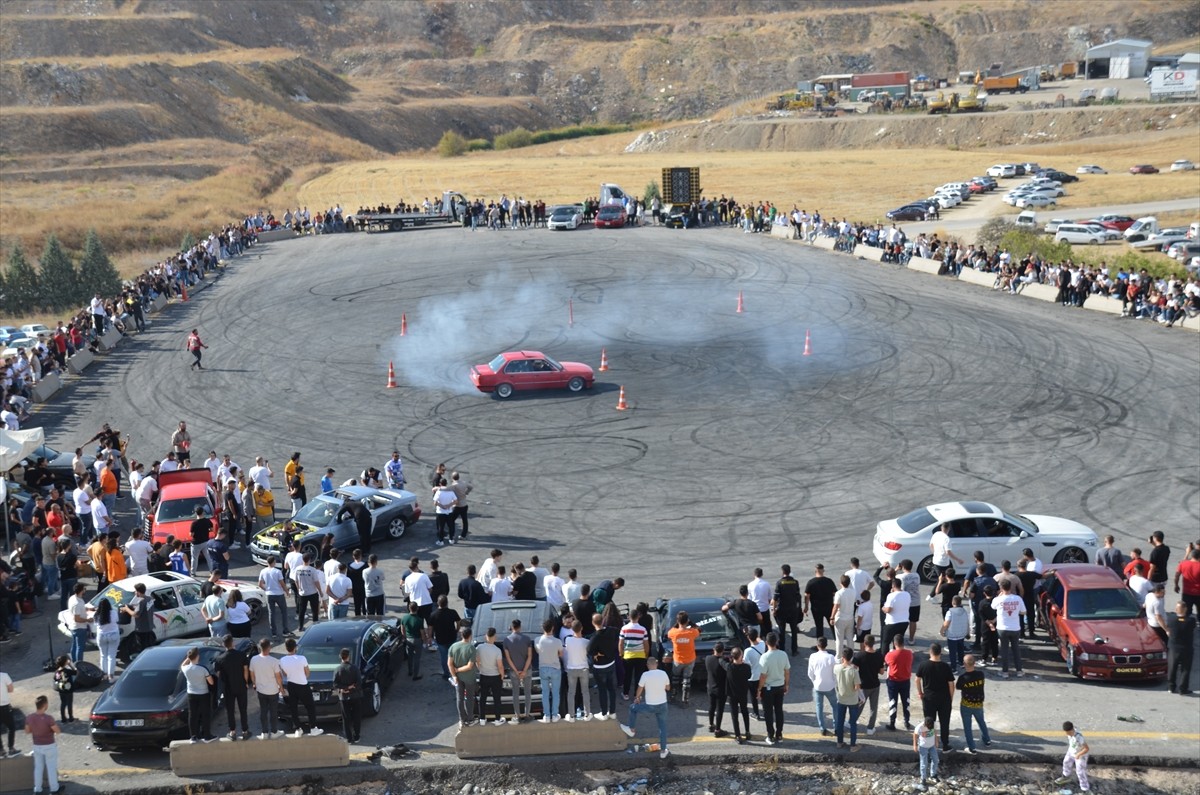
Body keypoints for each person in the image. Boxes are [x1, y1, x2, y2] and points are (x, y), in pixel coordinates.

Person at [618, 656, 672, 759]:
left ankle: (631, 729)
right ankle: (663, 751)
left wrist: (637, 698)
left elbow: (640, 688)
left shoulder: (645, 674)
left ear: (647, 665)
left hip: (651, 705)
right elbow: (668, 688)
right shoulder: (663, 673)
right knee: (662, 728)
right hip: (663, 705)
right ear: (656, 664)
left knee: (633, 708)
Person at [915, 642, 955, 752]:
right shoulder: (945, 666)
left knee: (929, 723)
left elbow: (917, 680)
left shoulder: (923, 665)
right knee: (944, 722)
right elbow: (951, 684)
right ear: (940, 653)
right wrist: (950, 697)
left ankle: (929, 744)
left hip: (929, 698)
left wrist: (920, 692)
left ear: (930, 652)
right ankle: (945, 744)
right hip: (944, 699)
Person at [279, 638, 322, 737]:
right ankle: (313, 728)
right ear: (295, 647)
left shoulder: (282, 660)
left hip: (291, 685)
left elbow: (285, 674)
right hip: (303, 685)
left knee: (293, 708)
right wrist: (302, 677)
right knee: (310, 706)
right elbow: (307, 672)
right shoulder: (302, 658)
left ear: (286, 648)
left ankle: (298, 729)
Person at [214, 634, 251, 740]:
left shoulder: (219, 658)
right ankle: (245, 731)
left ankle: (232, 732)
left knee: (230, 710)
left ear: (223, 645)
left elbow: (218, 674)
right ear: (233, 643)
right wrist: (245, 682)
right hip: (240, 685)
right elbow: (245, 669)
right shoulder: (241, 655)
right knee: (243, 709)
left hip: (228, 688)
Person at [757, 631, 790, 746]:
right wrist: (786, 685)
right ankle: (779, 734)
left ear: (766, 643)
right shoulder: (783, 654)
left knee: (768, 713)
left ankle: (770, 735)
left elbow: (763, 676)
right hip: (780, 686)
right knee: (779, 710)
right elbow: (787, 672)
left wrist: (759, 689)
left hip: (768, 688)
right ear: (776, 642)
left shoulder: (764, 657)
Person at [24, 695, 61, 794]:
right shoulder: (49, 718)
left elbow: (27, 731)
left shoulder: (29, 718)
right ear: (45, 705)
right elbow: (57, 731)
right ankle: (54, 789)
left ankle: (37, 789)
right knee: (51, 768)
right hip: (49, 745)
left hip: (37, 746)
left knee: (38, 768)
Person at [248, 638, 284, 739]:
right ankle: (274, 732)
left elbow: (252, 674)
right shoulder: (274, 661)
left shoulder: (254, 659)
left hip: (261, 690)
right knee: (273, 712)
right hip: (273, 691)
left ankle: (264, 732)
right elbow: (278, 677)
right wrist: (281, 687)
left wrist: (255, 684)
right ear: (269, 647)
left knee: (263, 711)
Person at [956, 654, 991, 754]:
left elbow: (958, 687)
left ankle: (972, 747)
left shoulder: (963, 678)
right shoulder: (981, 674)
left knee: (967, 727)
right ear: (974, 663)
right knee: (981, 722)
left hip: (966, 705)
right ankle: (987, 740)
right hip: (978, 704)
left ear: (964, 664)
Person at [851, 634, 885, 736]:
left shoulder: (859, 656)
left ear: (865, 643)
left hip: (863, 686)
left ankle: (852, 722)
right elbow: (882, 672)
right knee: (873, 708)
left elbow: (853, 670)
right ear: (873, 643)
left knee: (859, 705)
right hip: (875, 685)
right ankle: (870, 728)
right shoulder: (879, 656)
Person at [991, 580, 1025, 678]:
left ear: (1001, 588)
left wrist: (999, 596)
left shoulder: (998, 600)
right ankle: (1019, 670)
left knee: (1004, 650)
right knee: (1016, 649)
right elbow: (1023, 612)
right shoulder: (1018, 598)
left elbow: (993, 607)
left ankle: (1005, 671)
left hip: (1002, 627)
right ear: (1011, 587)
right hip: (1015, 627)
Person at [182, 646, 215, 742]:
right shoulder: (203, 669)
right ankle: (207, 735)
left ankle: (193, 736)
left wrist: (189, 658)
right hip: (203, 694)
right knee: (205, 714)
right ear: (198, 656)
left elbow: (182, 664)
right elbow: (211, 682)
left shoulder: (185, 669)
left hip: (191, 694)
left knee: (192, 715)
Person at [448, 627, 480, 728]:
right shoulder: (471, 648)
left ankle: (462, 719)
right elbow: (470, 666)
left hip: (457, 678)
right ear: (470, 636)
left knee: (459, 698)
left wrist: (454, 675)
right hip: (469, 678)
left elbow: (449, 663)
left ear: (461, 635)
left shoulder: (453, 646)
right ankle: (470, 719)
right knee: (469, 698)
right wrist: (458, 670)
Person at [666, 611, 700, 705]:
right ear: (687, 621)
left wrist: (677, 623)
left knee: (675, 678)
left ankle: (673, 695)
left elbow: (668, 633)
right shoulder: (691, 632)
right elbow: (699, 630)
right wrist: (692, 624)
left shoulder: (673, 633)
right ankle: (685, 700)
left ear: (678, 621)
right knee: (687, 679)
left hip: (678, 660)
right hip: (690, 659)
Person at [503, 618, 534, 720]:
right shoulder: (527, 639)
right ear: (520, 627)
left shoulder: (506, 640)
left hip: (514, 671)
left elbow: (508, 658)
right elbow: (529, 656)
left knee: (515, 693)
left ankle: (517, 715)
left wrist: (516, 671)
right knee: (527, 693)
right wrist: (524, 670)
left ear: (511, 627)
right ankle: (527, 714)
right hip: (527, 670)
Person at [833, 646, 863, 751]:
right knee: (853, 723)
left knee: (840, 721)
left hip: (841, 698)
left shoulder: (837, 668)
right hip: (852, 700)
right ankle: (853, 745)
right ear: (851, 657)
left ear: (842, 657)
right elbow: (857, 687)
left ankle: (839, 742)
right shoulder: (854, 671)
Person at [535, 619, 564, 722]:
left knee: (545, 693)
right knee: (556, 692)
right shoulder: (558, 641)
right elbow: (561, 654)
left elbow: (538, 651)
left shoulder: (537, 640)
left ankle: (547, 715)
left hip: (543, 668)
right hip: (555, 668)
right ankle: (555, 715)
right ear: (552, 628)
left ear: (543, 628)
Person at [563, 620, 592, 721]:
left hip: (571, 669)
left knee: (571, 693)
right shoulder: (586, 642)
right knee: (585, 692)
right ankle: (587, 714)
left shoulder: (568, 641)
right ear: (582, 628)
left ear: (572, 629)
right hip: (584, 668)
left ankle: (571, 715)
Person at [722, 647, 752, 743]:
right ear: (741, 656)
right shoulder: (746, 667)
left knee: (734, 715)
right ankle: (747, 731)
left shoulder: (729, 667)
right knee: (745, 712)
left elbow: (721, 661)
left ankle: (738, 735)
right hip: (743, 694)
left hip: (732, 695)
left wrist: (727, 658)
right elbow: (749, 676)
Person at [619, 607, 650, 701]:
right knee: (638, 676)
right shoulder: (643, 629)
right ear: (638, 617)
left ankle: (625, 694)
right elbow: (646, 644)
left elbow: (621, 643)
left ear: (629, 617)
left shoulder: (624, 628)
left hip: (628, 656)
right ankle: (637, 695)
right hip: (640, 656)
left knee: (627, 675)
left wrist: (621, 654)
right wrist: (646, 654)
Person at [885, 634, 914, 732]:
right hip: (905, 680)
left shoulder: (890, 655)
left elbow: (887, 662)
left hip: (893, 681)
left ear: (894, 643)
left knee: (893, 702)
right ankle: (907, 721)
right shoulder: (909, 653)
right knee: (906, 701)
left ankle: (892, 722)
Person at [333, 647, 363, 742]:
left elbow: (335, 684)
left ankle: (349, 738)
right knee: (356, 717)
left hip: (344, 697)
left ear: (340, 656)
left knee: (346, 718)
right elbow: (359, 682)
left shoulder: (337, 669)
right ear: (348, 657)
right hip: (355, 696)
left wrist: (343, 689)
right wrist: (350, 688)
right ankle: (356, 735)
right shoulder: (354, 668)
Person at [1167, 600, 1196, 695]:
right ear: (1186, 609)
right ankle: (1183, 689)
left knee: (1172, 668)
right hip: (1186, 648)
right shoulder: (1191, 621)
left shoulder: (1171, 619)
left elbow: (1169, 628)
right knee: (1185, 669)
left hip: (1174, 648)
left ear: (1176, 609)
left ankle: (1171, 687)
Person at [430, 596, 461, 681]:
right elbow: (459, 622)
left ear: (437, 603)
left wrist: (430, 637)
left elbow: (430, 627)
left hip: (440, 639)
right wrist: (457, 630)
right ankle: (455, 672)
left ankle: (446, 673)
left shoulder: (433, 614)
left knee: (444, 657)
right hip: (452, 637)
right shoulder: (452, 612)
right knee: (453, 656)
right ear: (447, 603)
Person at [258, 556, 289, 639]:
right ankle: (285, 630)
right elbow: (282, 583)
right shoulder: (277, 571)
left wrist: (266, 589)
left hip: (269, 594)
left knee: (271, 613)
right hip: (279, 594)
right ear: (274, 562)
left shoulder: (263, 571)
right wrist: (286, 591)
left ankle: (274, 632)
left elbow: (260, 584)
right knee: (284, 612)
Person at [1054, 721, 1091, 792]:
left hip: (1080, 756)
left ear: (1071, 730)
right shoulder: (1070, 733)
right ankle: (1065, 777)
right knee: (1066, 762)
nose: (1067, 734)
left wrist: (1078, 754)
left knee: (1080, 772)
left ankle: (1085, 789)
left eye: (1068, 733)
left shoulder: (1079, 737)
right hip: (1071, 751)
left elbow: (1086, 748)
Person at [804, 564, 836, 641]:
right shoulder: (829, 581)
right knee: (833, 625)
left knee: (819, 627)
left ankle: (820, 645)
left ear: (815, 571)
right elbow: (835, 593)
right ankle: (838, 641)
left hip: (816, 609)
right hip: (829, 607)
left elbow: (807, 596)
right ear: (823, 571)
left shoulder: (811, 582)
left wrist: (806, 607)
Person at [703, 642, 728, 737]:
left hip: (710, 687)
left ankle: (711, 724)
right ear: (723, 651)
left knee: (711, 706)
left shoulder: (708, 659)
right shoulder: (723, 661)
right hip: (721, 689)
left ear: (714, 649)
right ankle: (718, 729)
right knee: (720, 710)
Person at [830, 574, 859, 657]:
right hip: (850, 617)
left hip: (840, 618)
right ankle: (851, 655)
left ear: (841, 583)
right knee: (850, 638)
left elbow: (836, 606)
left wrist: (832, 617)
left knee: (839, 639)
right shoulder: (853, 592)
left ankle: (839, 656)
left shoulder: (839, 593)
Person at [940, 595, 970, 674]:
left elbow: (946, 624)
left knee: (952, 652)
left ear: (952, 603)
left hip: (952, 635)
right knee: (961, 649)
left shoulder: (950, 612)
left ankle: (953, 668)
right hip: (961, 634)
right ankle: (961, 662)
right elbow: (967, 623)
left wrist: (942, 631)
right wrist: (967, 632)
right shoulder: (964, 611)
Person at [94, 597, 120, 683]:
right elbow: (116, 620)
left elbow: (95, 624)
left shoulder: (97, 615)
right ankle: (111, 676)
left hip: (101, 636)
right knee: (111, 656)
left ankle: (104, 674)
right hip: (113, 635)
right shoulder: (113, 612)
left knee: (103, 655)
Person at [882, 577, 912, 652]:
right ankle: (897, 657)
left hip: (892, 623)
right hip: (904, 622)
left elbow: (888, 610)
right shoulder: (907, 594)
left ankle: (885, 660)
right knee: (898, 642)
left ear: (893, 586)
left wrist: (883, 608)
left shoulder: (891, 596)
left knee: (885, 642)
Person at [293, 553, 321, 630]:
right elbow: (316, 582)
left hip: (302, 593)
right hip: (312, 593)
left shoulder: (298, 569)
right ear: (309, 560)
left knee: (302, 611)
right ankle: (315, 626)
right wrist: (320, 591)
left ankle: (300, 626)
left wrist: (299, 588)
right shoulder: (312, 570)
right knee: (314, 611)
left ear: (302, 559)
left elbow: (296, 581)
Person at [399, 602, 424, 681]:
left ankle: (410, 671)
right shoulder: (419, 620)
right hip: (417, 639)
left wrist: (405, 637)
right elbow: (422, 633)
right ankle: (415, 675)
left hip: (408, 639)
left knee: (410, 656)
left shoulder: (404, 618)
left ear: (409, 608)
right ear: (417, 608)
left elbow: (402, 630)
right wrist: (424, 639)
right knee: (417, 658)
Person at [913, 716, 940, 790]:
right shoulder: (920, 727)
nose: (929, 728)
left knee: (936, 760)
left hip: (932, 746)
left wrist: (936, 741)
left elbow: (935, 732)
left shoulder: (934, 724)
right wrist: (915, 745)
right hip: (923, 747)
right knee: (924, 763)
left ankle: (933, 774)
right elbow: (915, 735)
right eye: (928, 727)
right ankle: (923, 779)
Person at [67, 582, 90, 663]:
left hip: (73, 627)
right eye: (84, 589)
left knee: (74, 645)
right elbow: (77, 619)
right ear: (81, 591)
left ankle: (74, 661)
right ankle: (79, 664)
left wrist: (87, 609)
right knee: (80, 647)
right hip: (79, 627)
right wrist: (88, 620)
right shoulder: (77, 603)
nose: (85, 590)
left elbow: (79, 610)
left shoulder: (73, 598)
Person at [1175, 547, 1200, 616]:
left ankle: (1187, 625)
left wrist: (1176, 585)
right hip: (1199, 593)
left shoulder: (1183, 564)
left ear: (1191, 555)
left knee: (1186, 612)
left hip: (1187, 592)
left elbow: (1177, 576)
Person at [52, 656, 76, 723]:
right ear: (65, 662)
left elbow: (55, 678)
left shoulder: (57, 671)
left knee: (63, 703)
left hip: (61, 690)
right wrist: (70, 665)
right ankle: (71, 717)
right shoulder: (67, 671)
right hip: (69, 689)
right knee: (69, 703)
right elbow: (76, 672)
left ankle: (63, 718)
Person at [189, 506, 211, 575]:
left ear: (196, 513)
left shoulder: (194, 523)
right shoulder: (207, 521)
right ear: (203, 512)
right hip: (206, 542)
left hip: (196, 543)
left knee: (194, 558)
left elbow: (191, 534)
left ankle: (193, 572)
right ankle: (212, 571)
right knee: (208, 557)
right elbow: (211, 529)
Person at [0, 668, 15, 757]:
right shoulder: (4, 675)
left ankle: (1, 750)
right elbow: (11, 689)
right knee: (11, 727)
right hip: (4, 706)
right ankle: (11, 748)